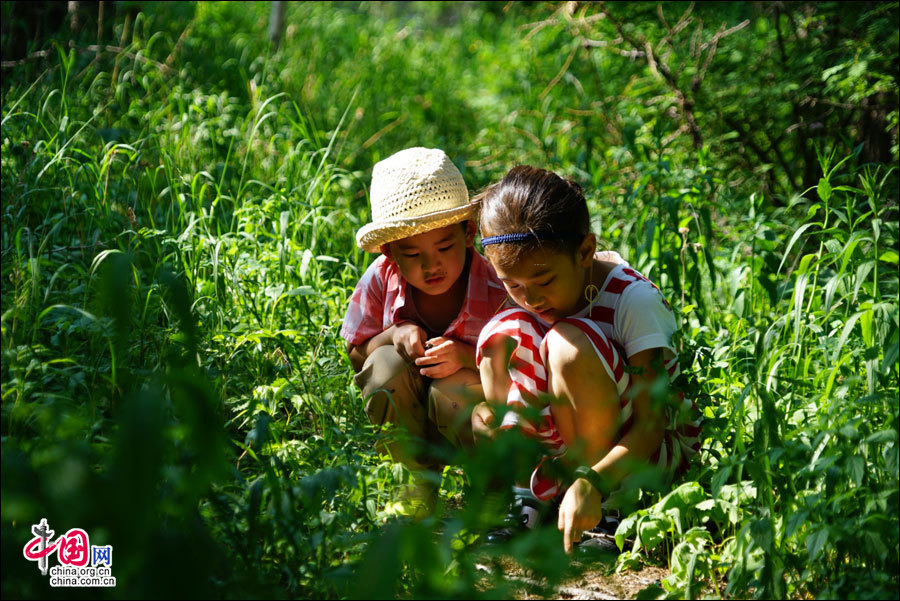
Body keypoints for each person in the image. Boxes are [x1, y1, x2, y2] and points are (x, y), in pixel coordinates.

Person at [472, 165, 701, 552]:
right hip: (569, 443)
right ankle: (528, 497)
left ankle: (608, 511)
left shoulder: (634, 302)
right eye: (512, 285)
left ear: (585, 251)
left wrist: (594, 480)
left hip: (645, 454)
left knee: (566, 343)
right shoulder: (530, 295)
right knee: (501, 334)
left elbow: (652, 423)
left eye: (543, 281)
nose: (530, 298)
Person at [342, 147, 509, 514]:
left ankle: (495, 484)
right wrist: (393, 335)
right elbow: (356, 355)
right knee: (383, 363)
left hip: (472, 414)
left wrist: (466, 357)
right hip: (412, 418)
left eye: (445, 246)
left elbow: (525, 362)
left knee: (454, 384)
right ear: (389, 253)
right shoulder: (380, 281)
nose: (432, 265)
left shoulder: (498, 286)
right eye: (413, 254)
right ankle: (415, 481)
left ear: (468, 233)